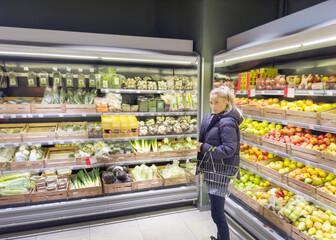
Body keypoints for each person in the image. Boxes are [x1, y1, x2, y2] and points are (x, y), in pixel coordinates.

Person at [197, 86, 243, 240]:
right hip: (214, 170)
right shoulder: (217, 118)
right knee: (217, 211)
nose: (213, 106)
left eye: (217, 102)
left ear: (226, 102)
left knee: (217, 213)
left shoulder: (227, 122)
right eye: (211, 102)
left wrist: (204, 147)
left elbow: (229, 149)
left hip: (220, 172)